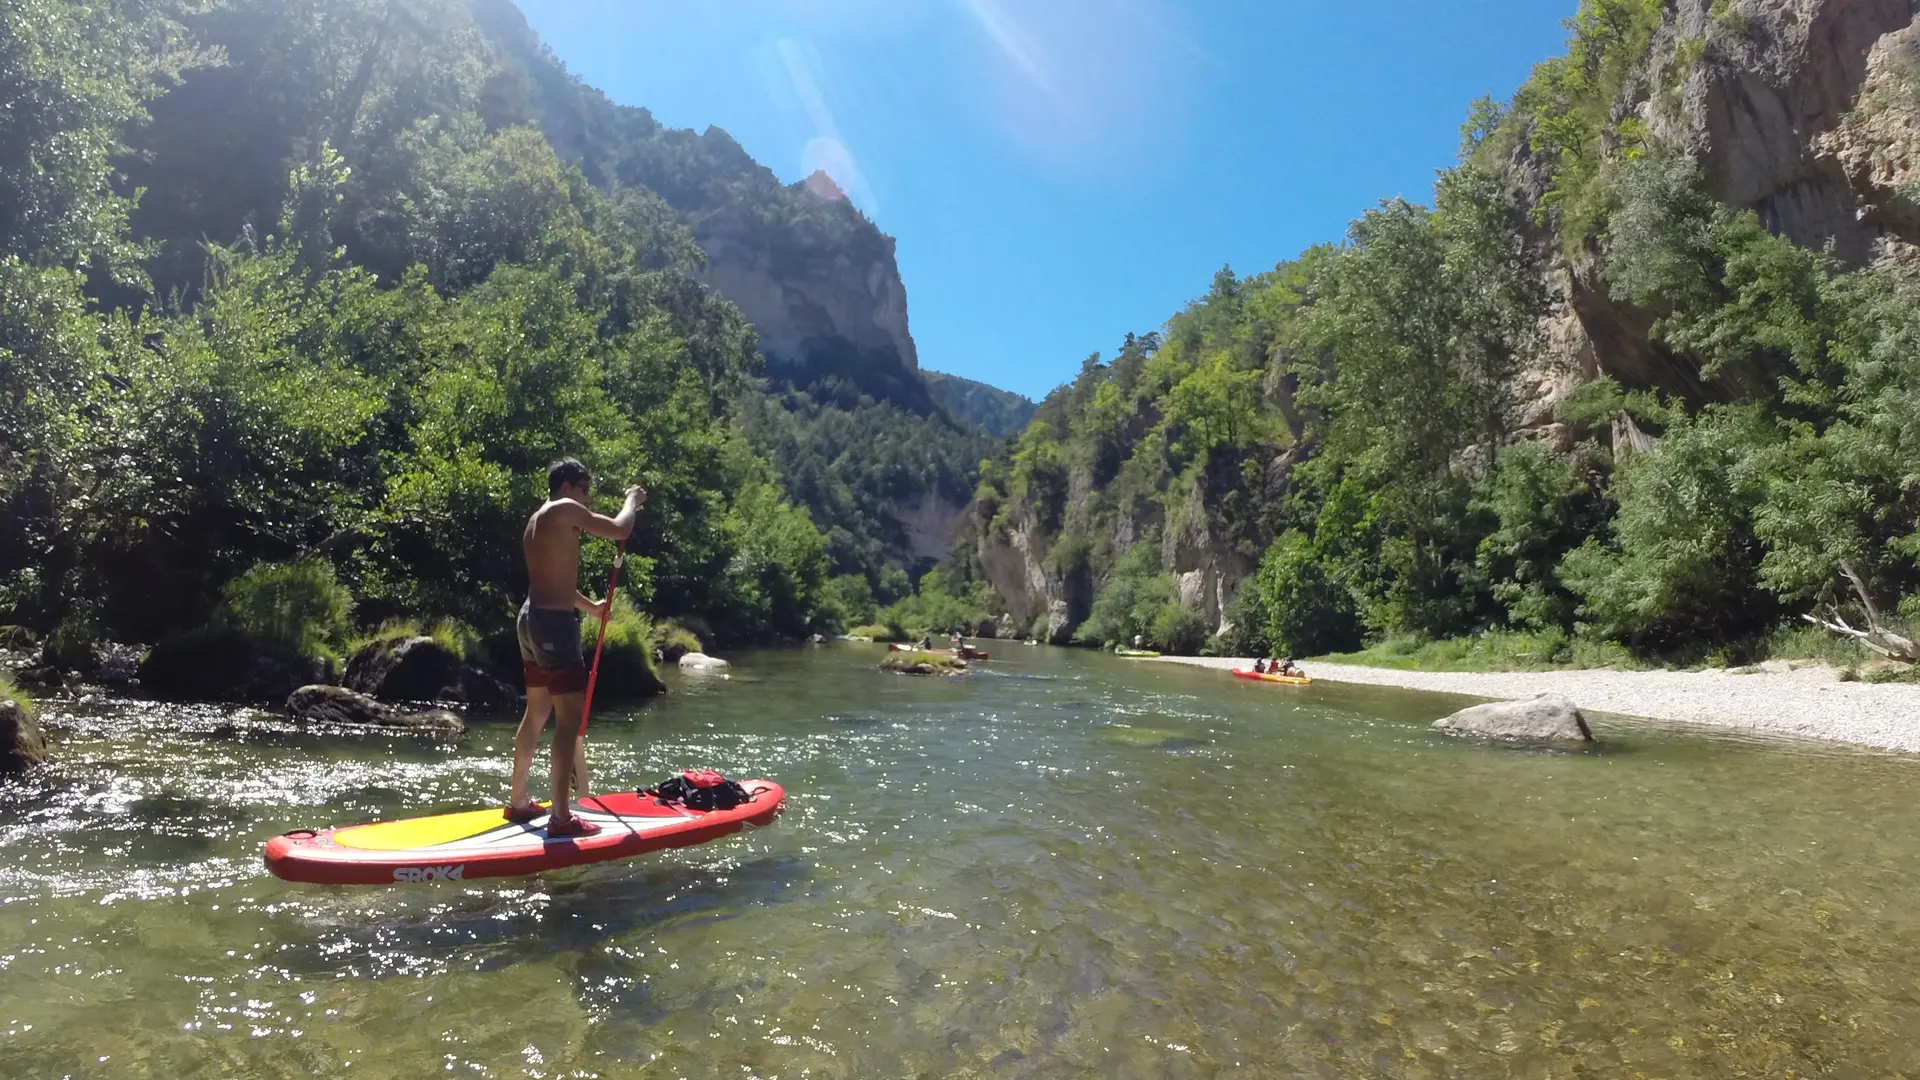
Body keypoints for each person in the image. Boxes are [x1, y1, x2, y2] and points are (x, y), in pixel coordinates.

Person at [505, 458, 645, 837]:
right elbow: (620, 528)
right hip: (554, 625)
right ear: (566, 486)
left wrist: (591, 608)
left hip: (530, 620)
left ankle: (518, 801)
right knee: (568, 722)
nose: (587, 497)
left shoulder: (537, 520)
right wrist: (632, 500)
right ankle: (561, 818)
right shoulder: (564, 508)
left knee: (536, 713)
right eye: (584, 489)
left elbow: (555, 581)